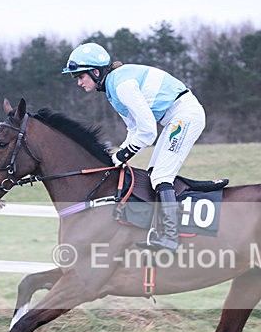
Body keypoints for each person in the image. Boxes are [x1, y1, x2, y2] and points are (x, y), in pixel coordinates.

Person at [62, 42, 206, 251]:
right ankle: (161, 230)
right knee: (153, 174)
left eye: (80, 76)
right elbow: (134, 130)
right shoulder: (112, 88)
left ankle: (170, 237)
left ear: (95, 71)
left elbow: (148, 131)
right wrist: (117, 156)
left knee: (160, 177)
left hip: (185, 115)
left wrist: (124, 155)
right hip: (175, 118)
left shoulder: (121, 85)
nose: (78, 82)